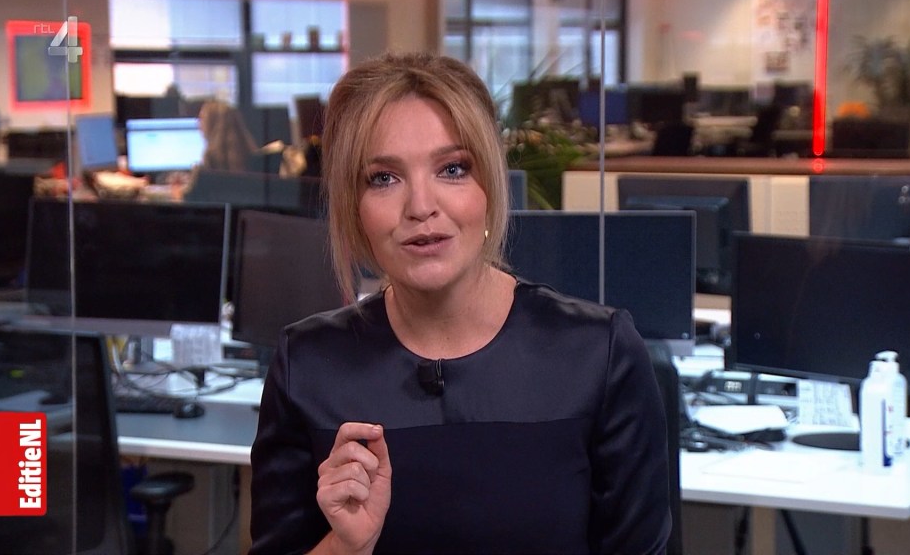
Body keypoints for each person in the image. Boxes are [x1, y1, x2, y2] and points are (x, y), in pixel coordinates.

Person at [249, 51, 672, 554]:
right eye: (383, 178)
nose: (421, 207)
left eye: (452, 169)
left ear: (489, 186)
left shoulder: (598, 354)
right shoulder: (308, 365)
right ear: (353, 207)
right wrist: (346, 546)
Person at [197, 99, 259, 172]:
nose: (198, 124)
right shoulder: (252, 154)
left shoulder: (211, 159)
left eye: (201, 118)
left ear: (212, 123)